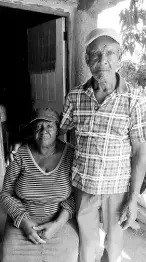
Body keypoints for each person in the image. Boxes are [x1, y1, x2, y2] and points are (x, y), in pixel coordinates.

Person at [59, 28, 146, 262]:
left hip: (117, 186)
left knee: (114, 242)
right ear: (87, 60)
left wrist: (133, 198)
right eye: (95, 54)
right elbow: (60, 133)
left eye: (109, 53)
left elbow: (139, 150)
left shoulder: (134, 100)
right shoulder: (75, 96)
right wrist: (29, 145)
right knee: (87, 244)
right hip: (83, 183)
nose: (102, 60)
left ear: (120, 56)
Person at [1, 107, 79, 262]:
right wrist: (23, 221)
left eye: (49, 126)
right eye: (38, 127)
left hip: (59, 220)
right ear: (32, 131)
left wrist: (58, 223)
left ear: (58, 129)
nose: (44, 130)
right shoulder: (21, 154)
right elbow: (5, 193)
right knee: (8, 254)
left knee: (68, 255)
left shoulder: (71, 154)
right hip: (23, 220)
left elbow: (75, 194)